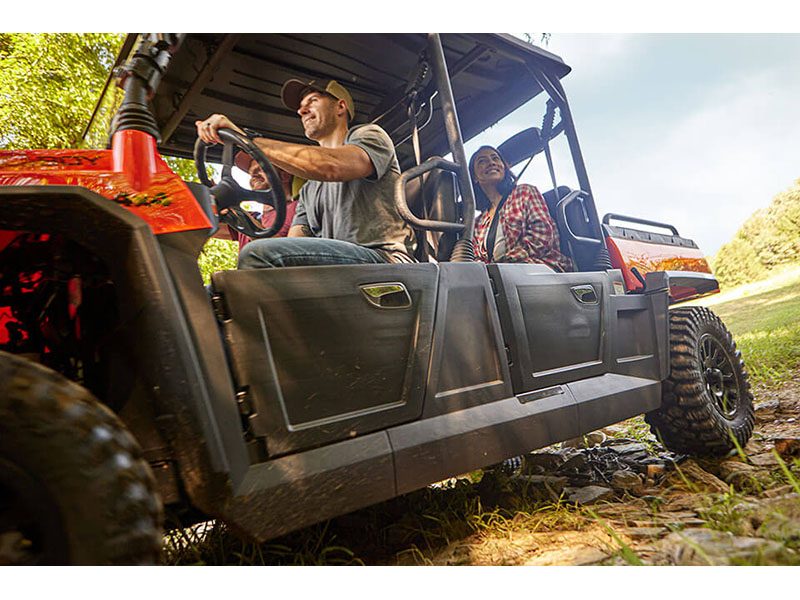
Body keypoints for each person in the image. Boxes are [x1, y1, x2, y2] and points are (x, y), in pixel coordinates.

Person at [195, 78, 416, 268]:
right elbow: (293, 244)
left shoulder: (369, 135)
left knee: (258, 255)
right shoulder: (309, 189)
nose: (302, 110)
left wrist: (246, 139)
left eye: (313, 100)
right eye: (301, 106)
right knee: (220, 289)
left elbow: (331, 166)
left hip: (383, 259)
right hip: (340, 267)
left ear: (340, 107)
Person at [469, 145, 572, 272]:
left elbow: (542, 234)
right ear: (474, 177)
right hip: (501, 275)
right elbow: (477, 257)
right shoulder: (478, 223)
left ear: (504, 167)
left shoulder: (524, 192)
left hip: (539, 267)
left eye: (495, 158)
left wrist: (506, 262)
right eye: (482, 161)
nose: (491, 163)